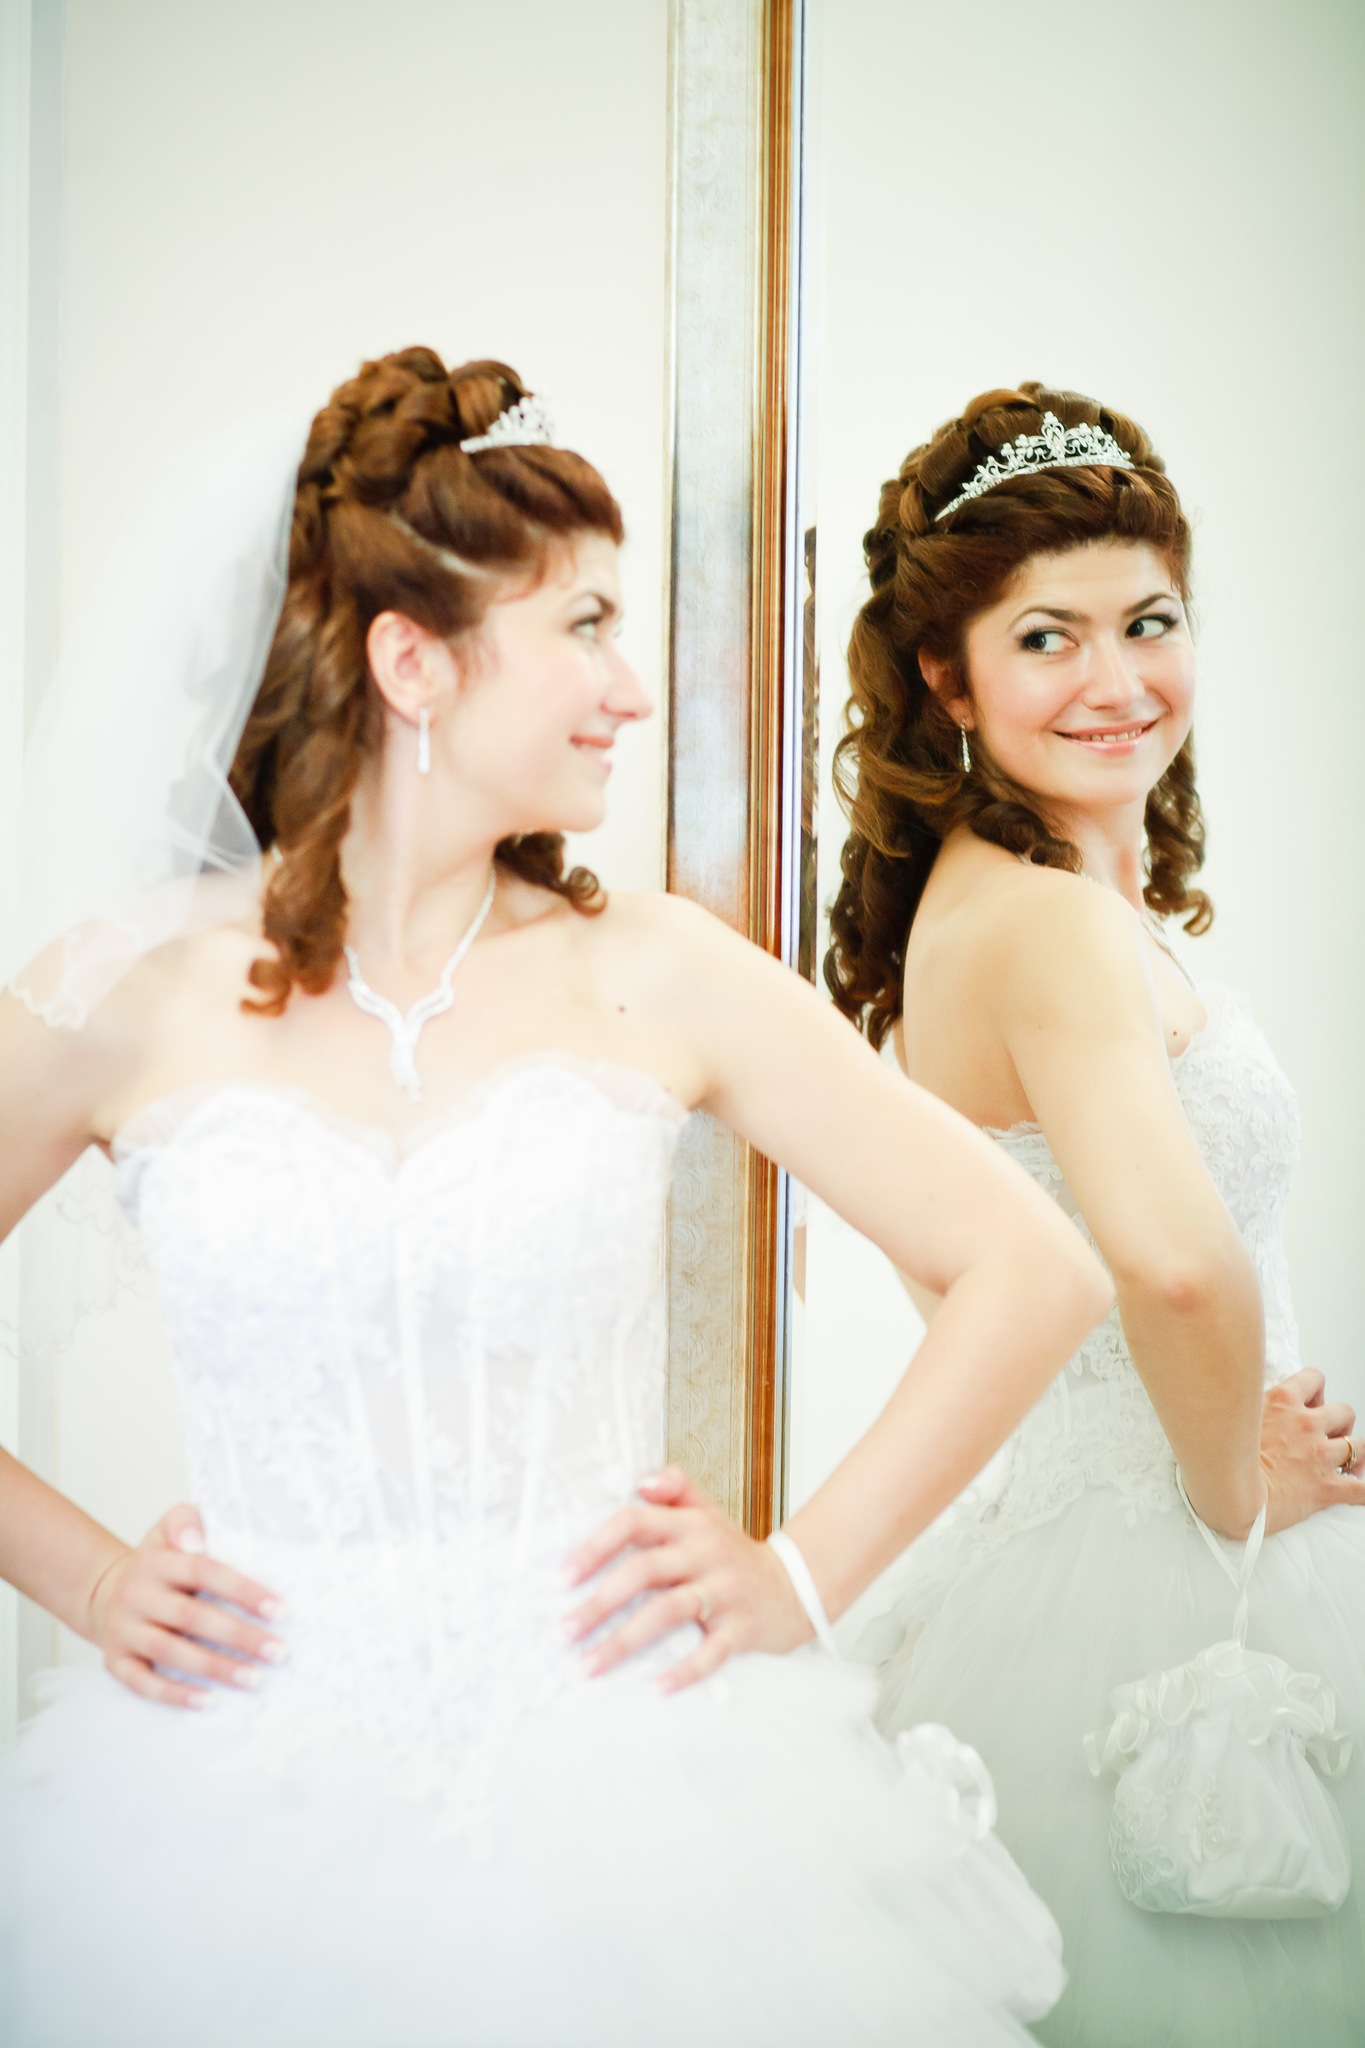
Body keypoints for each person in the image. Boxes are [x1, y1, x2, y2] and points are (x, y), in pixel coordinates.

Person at [0, 348, 1110, 2048]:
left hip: (634, 1796)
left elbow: (1033, 1268)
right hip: (220, 1807)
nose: (631, 689)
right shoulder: (122, 993)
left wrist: (797, 1580)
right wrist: (83, 1581)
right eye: (586, 625)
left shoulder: (653, 968)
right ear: (413, 661)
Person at [826, 381, 1365, 2047]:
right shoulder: (1048, 924)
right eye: (1045, 639)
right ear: (946, 677)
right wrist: (1234, 1503)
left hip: (1063, 1539)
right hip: (1170, 1579)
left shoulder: (979, 905)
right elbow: (1177, 1269)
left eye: (1148, 621)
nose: (1116, 681)